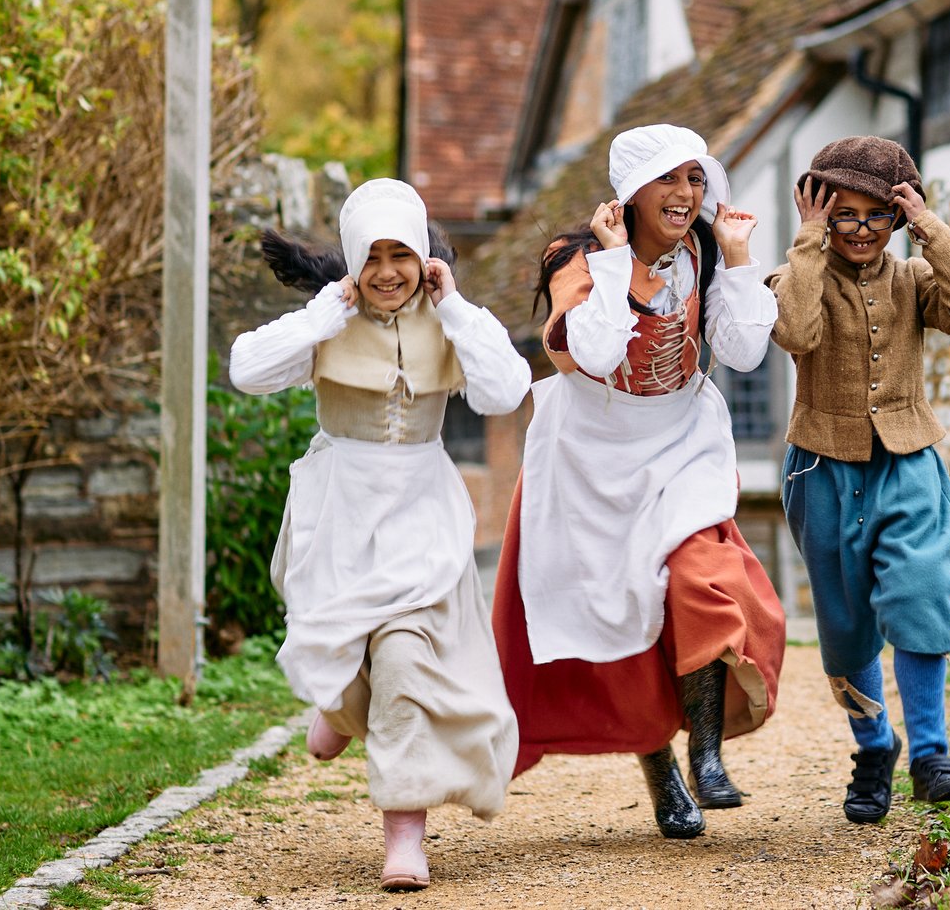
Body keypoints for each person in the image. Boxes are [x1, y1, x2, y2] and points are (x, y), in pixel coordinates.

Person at [229, 178, 530, 890]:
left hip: (421, 509)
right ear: (355, 260)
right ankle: (339, 703)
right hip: (341, 506)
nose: (389, 271)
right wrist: (322, 311)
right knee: (343, 641)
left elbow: (506, 391)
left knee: (405, 657)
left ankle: (404, 834)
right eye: (374, 256)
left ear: (423, 254)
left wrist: (454, 305)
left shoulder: (447, 319)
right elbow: (246, 370)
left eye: (403, 253)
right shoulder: (330, 322)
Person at [493, 124, 786, 840]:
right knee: (620, 611)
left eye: (695, 178)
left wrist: (742, 261)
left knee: (702, 580)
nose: (686, 194)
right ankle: (662, 779)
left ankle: (707, 754)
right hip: (592, 452)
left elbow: (745, 352)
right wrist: (619, 264)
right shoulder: (579, 259)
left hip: (680, 438)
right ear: (632, 192)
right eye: (669, 179)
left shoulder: (705, 251)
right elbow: (589, 353)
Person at [765, 136, 950, 823]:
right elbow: (796, 333)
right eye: (845, 216)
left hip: (908, 460)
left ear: (896, 219)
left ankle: (931, 753)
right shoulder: (795, 274)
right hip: (822, 468)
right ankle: (873, 747)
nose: (862, 231)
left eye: (878, 216)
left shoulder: (914, 278)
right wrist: (805, 241)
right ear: (821, 215)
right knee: (844, 623)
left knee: (921, 589)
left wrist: (930, 227)